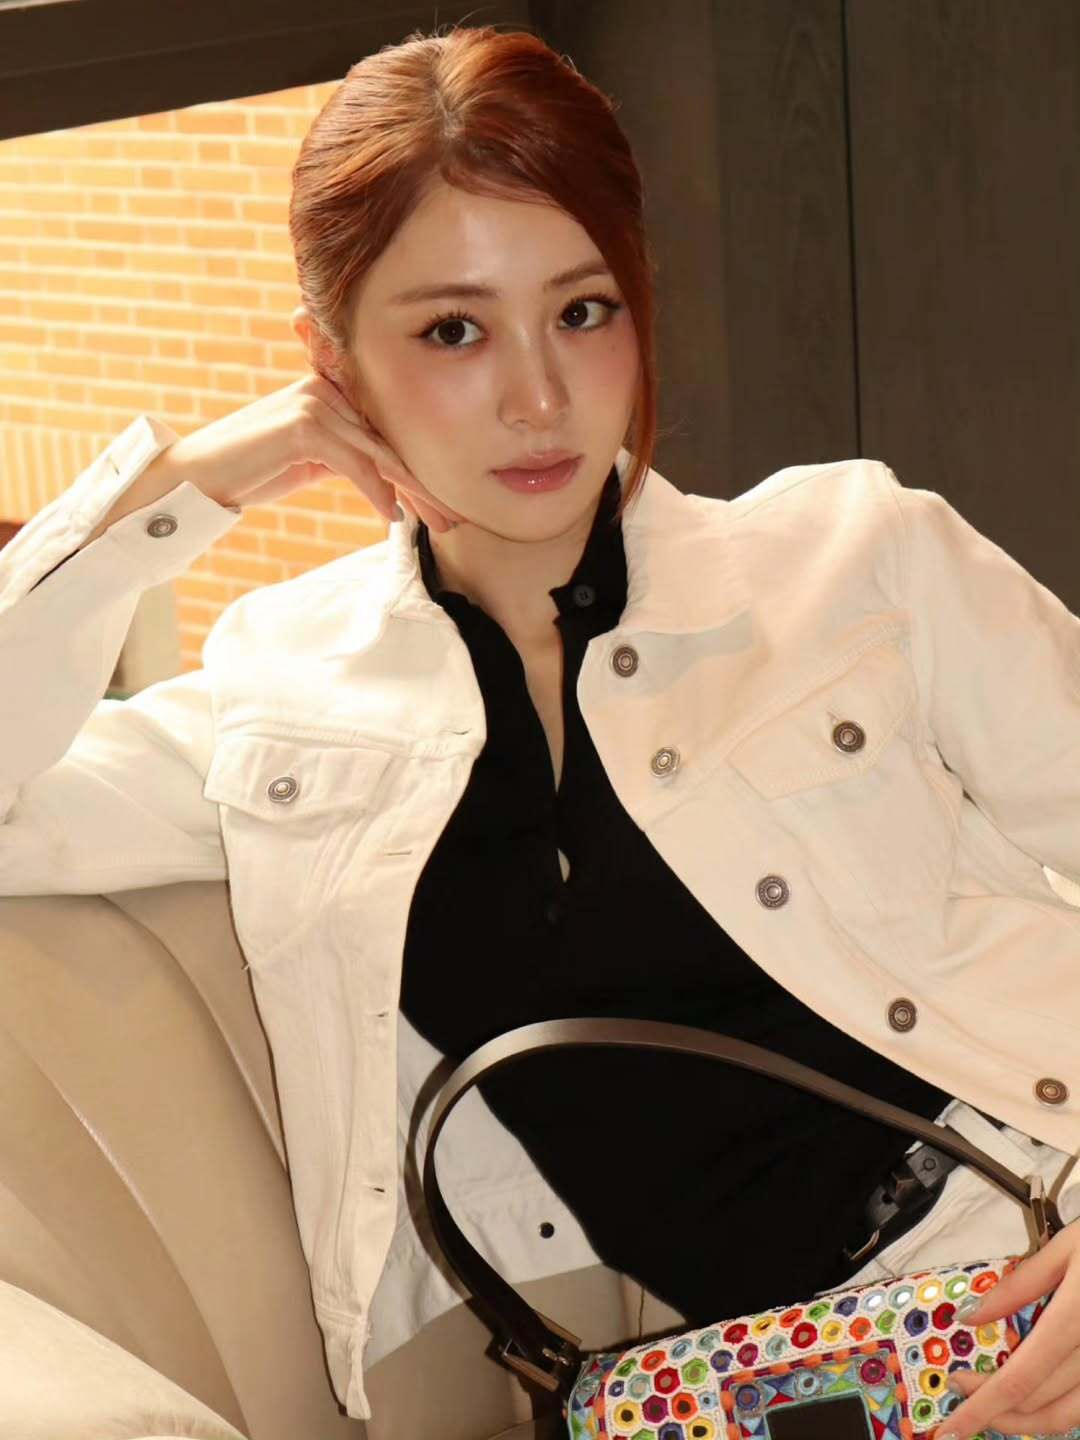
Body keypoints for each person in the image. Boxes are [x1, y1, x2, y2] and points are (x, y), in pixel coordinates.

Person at [2, 21, 1079, 1438]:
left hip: (1038, 1243)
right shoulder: (288, 703)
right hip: (769, 1393)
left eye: (583, 310)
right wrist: (198, 479)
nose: (540, 397)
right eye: (452, 330)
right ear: (332, 366)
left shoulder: (856, 560)